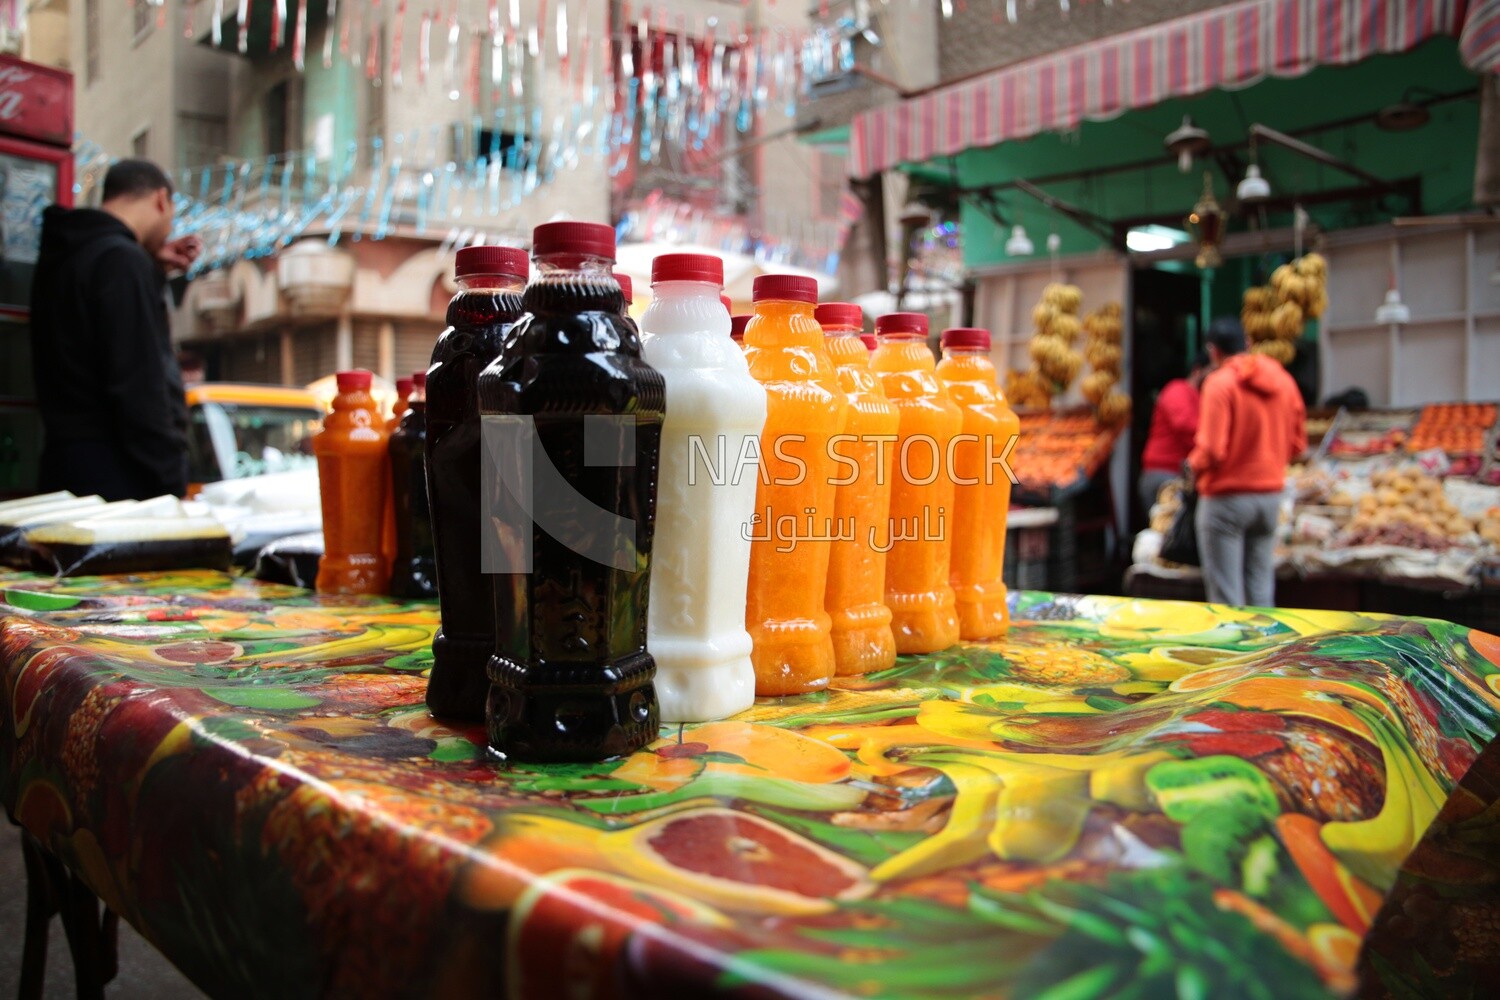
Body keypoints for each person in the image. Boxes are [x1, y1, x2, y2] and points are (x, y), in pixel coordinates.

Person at [30, 160, 202, 500]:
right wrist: (171, 482)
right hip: (117, 483)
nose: (170, 229)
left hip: (65, 472)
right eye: (171, 215)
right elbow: (139, 386)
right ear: (160, 199)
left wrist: (150, 266)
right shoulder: (122, 263)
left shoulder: (67, 252)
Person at [1188, 318, 1306, 607]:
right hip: (1269, 498)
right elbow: (1298, 445)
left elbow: (1212, 450)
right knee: (1260, 590)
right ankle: (1266, 651)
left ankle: (1234, 653)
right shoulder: (1283, 381)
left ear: (1213, 351)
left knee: (1227, 598)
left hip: (1225, 501)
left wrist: (1193, 465)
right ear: (1248, 344)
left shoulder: (1219, 384)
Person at [1138, 351, 1208, 515]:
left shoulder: (1202, 398)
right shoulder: (1177, 390)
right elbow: (1187, 428)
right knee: (1169, 534)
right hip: (1165, 475)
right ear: (1198, 371)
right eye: (1213, 371)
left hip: (1180, 475)